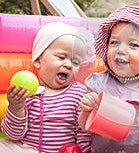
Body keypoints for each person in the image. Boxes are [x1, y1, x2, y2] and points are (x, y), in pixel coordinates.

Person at [78, 5, 139, 152]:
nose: (121, 50)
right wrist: (86, 109)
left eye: (133, 45)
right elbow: (84, 126)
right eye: (114, 42)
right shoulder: (99, 83)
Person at [0, 22, 94, 153]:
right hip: (24, 148)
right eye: (61, 57)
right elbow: (13, 135)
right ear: (38, 60)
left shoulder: (79, 93)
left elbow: (83, 133)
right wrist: (16, 107)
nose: (68, 65)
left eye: (75, 62)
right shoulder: (27, 91)